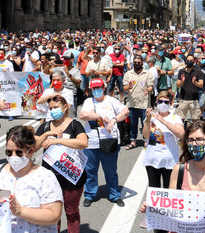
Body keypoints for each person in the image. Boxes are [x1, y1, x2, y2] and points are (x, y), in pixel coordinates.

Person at [139, 120, 205, 232]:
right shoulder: (179, 170)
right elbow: (170, 209)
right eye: (190, 140)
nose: (194, 144)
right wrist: (152, 208)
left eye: (200, 139)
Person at [0, 125, 63, 233]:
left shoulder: (45, 176)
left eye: (19, 152)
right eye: (9, 152)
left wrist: (21, 211)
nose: (13, 156)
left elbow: (54, 215)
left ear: (31, 151)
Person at [35, 94, 88, 233]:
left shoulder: (74, 124)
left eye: (56, 107)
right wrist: (46, 135)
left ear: (65, 107)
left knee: (71, 212)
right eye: (51, 108)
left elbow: (83, 143)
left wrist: (57, 140)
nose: (53, 110)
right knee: (53, 214)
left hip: (71, 176)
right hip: (50, 178)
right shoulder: (45, 126)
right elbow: (33, 147)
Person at [79, 78, 129, 207]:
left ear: (103, 88)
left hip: (109, 140)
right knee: (90, 171)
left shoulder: (111, 101)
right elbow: (83, 115)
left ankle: (114, 195)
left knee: (111, 171)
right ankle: (90, 194)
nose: (96, 90)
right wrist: (98, 116)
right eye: (94, 88)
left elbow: (125, 111)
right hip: (92, 142)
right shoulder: (88, 101)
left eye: (98, 88)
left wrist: (113, 120)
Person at [141, 91, 184, 196]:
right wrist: (147, 120)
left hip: (170, 161)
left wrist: (164, 121)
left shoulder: (175, 118)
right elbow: (146, 136)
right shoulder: (151, 117)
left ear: (170, 103)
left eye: (166, 102)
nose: (163, 104)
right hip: (152, 160)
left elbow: (181, 134)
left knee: (170, 191)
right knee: (154, 191)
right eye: (160, 101)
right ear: (156, 102)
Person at [123, 55, 154, 150]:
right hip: (132, 104)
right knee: (133, 124)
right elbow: (124, 88)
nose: (137, 64)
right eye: (135, 62)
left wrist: (147, 90)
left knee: (146, 123)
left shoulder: (147, 73)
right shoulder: (128, 74)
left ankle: (146, 141)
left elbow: (150, 86)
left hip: (144, 104)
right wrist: (129, 87)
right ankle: (133, 141)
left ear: (142, 63)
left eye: (138, 62)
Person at [176, 54, 204, 122]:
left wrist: (195, 82)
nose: (189, 62)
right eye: (188, 60)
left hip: (194, 99)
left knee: (195, 120)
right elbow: (178, 85)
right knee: (180, 120)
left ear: (194, 61)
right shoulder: (181, 71)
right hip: (183, 99)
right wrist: (182, 81)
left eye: (191, 60)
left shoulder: (198, 71)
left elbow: (201, 85)